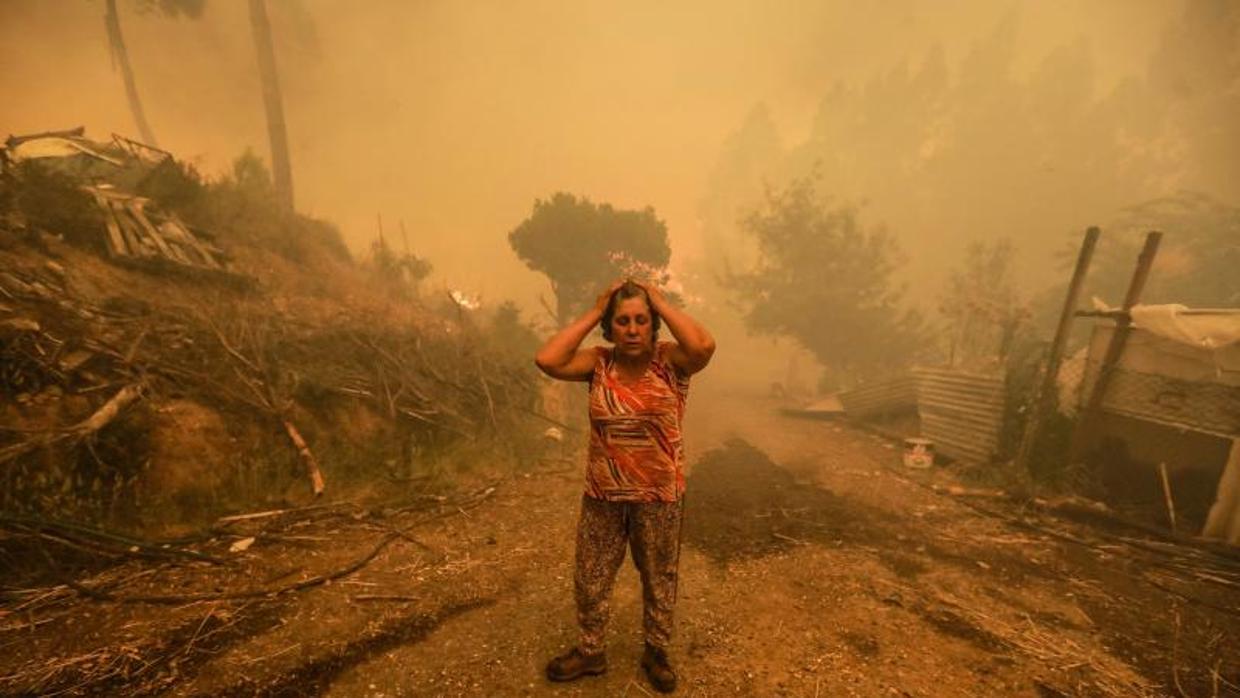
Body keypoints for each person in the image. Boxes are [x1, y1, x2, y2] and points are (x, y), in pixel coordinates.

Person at [534, 279, 715, 694]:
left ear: (653, 326)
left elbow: (704, 346)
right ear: (610, 328)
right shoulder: (598, 363)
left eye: (640, 321)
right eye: (622, 321)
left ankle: (655, 651)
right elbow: (547, 359)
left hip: (659, 495)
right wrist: (596, 310)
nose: (632, 329)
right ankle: (591, 652)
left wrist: (662, 303)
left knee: (658, 576)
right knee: (591, 576)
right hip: (603, 495)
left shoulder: (672, 360)